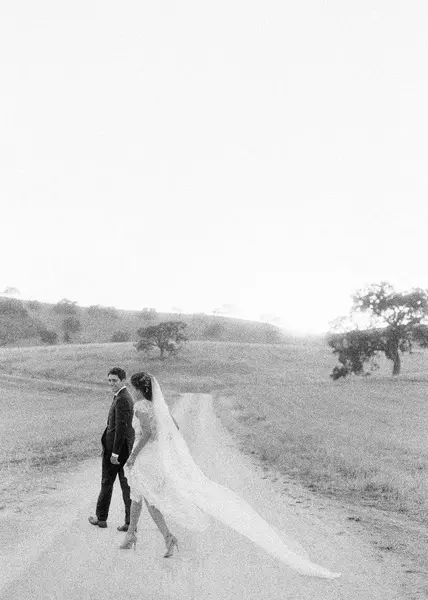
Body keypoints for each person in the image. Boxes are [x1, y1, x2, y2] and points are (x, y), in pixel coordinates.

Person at [120, 371, 341, 579]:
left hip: (145, 458)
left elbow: (147, 432)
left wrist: (133, 456)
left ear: (140, 389)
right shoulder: (157, 406)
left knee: (149, 498)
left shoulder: (140, 406)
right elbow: (174, 429)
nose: (132, 391)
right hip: (154, 458)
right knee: (137, 494)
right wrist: (162, 446)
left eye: (133, 387)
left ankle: (167, 537)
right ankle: (131, 536)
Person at [88, 367, 135, 531]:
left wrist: (114, 453)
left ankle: (105, 518)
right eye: (109, 380)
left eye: (114, 380)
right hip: (120, 448)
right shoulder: (122, 397)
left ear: (123, 381)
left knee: (112, 483)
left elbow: (121, 428)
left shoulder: (122, 399)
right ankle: (121, 521)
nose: (111, 383)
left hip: (117, 451)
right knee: (120, 484)